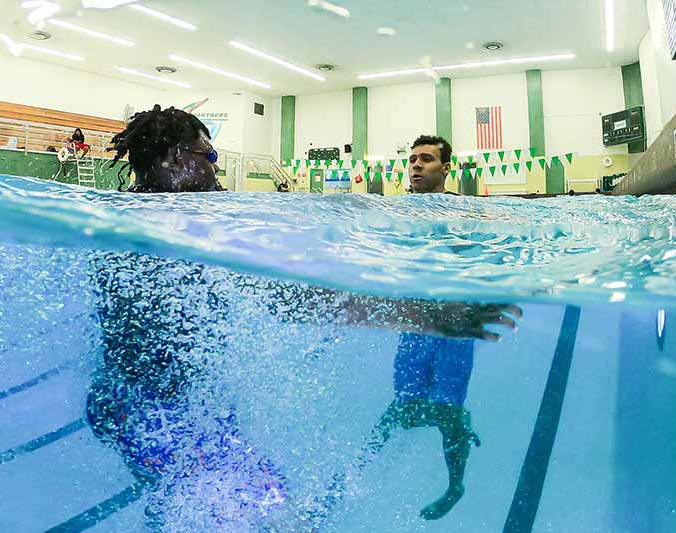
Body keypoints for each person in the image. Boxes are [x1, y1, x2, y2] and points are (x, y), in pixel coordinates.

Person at [86, 106, 519, 530]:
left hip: (137, 406)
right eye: (210, 155)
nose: (216, 169)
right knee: (271, 516)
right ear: (178, 159)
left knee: (202, 502)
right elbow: (295, 300)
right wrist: (432, 317)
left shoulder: (130, 221)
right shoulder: (166, 232)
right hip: (156, 414)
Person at [355, 135, 514, 522]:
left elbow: (490, 253)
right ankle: (357, 471)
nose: (416, 165)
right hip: (416, 320)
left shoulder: (465, 211)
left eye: (426, 159)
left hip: (455, 325)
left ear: (445, 168)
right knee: (404, 407)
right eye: (412, 159)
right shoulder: (396, 212)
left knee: (447, 411)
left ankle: (455, 486)